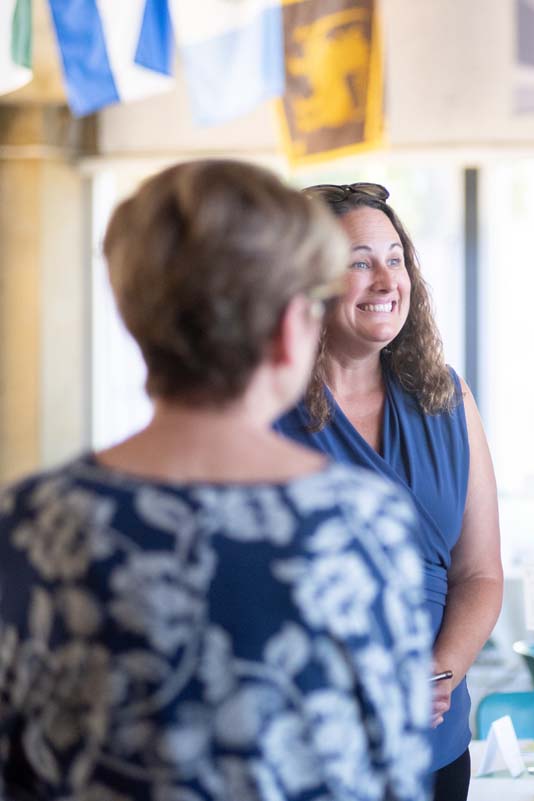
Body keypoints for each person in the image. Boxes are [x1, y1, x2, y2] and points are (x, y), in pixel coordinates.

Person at [0, 160, 431, 800]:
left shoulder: (34, 519)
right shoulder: (359, 524)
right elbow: (393, 775)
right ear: (292, 329)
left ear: (135, 318)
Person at [275, 182, 503, 801]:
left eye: (395, 258)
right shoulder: (261, 413)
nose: (386, 280)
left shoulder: (447, 397)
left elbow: (480, 574)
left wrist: (436, 674)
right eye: (358, 262)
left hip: (433, 746)